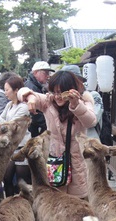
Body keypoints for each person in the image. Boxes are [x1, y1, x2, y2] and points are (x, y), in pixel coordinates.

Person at [20, 70, 97, 199]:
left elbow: (91, 122)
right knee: (57, 203)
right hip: (55, 163)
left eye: (61, 92)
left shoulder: (84, 103)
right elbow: (21, 92)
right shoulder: (48, 102)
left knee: (78, 204)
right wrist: (31, 97)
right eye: (54, 92)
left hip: (76, 164)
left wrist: (75, 104)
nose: (58, 96)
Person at [0, 75, 30, 197]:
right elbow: (3, 120)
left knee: (22, 182)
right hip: (9, 148)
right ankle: (9, 204)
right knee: (7, 178)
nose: (5, 93)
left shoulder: (24, 107)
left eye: (7, 89)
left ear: (16, 90)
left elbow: (11, 126)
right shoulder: (9, 105)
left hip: (22, 147)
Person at [25, 61, 54, 137]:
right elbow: (34, 114)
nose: (48, 76)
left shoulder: (38, 86)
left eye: (48, 73)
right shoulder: (31, 86)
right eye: (46, 73)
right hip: (33, 129)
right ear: (35, 73)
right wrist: (50, 121)